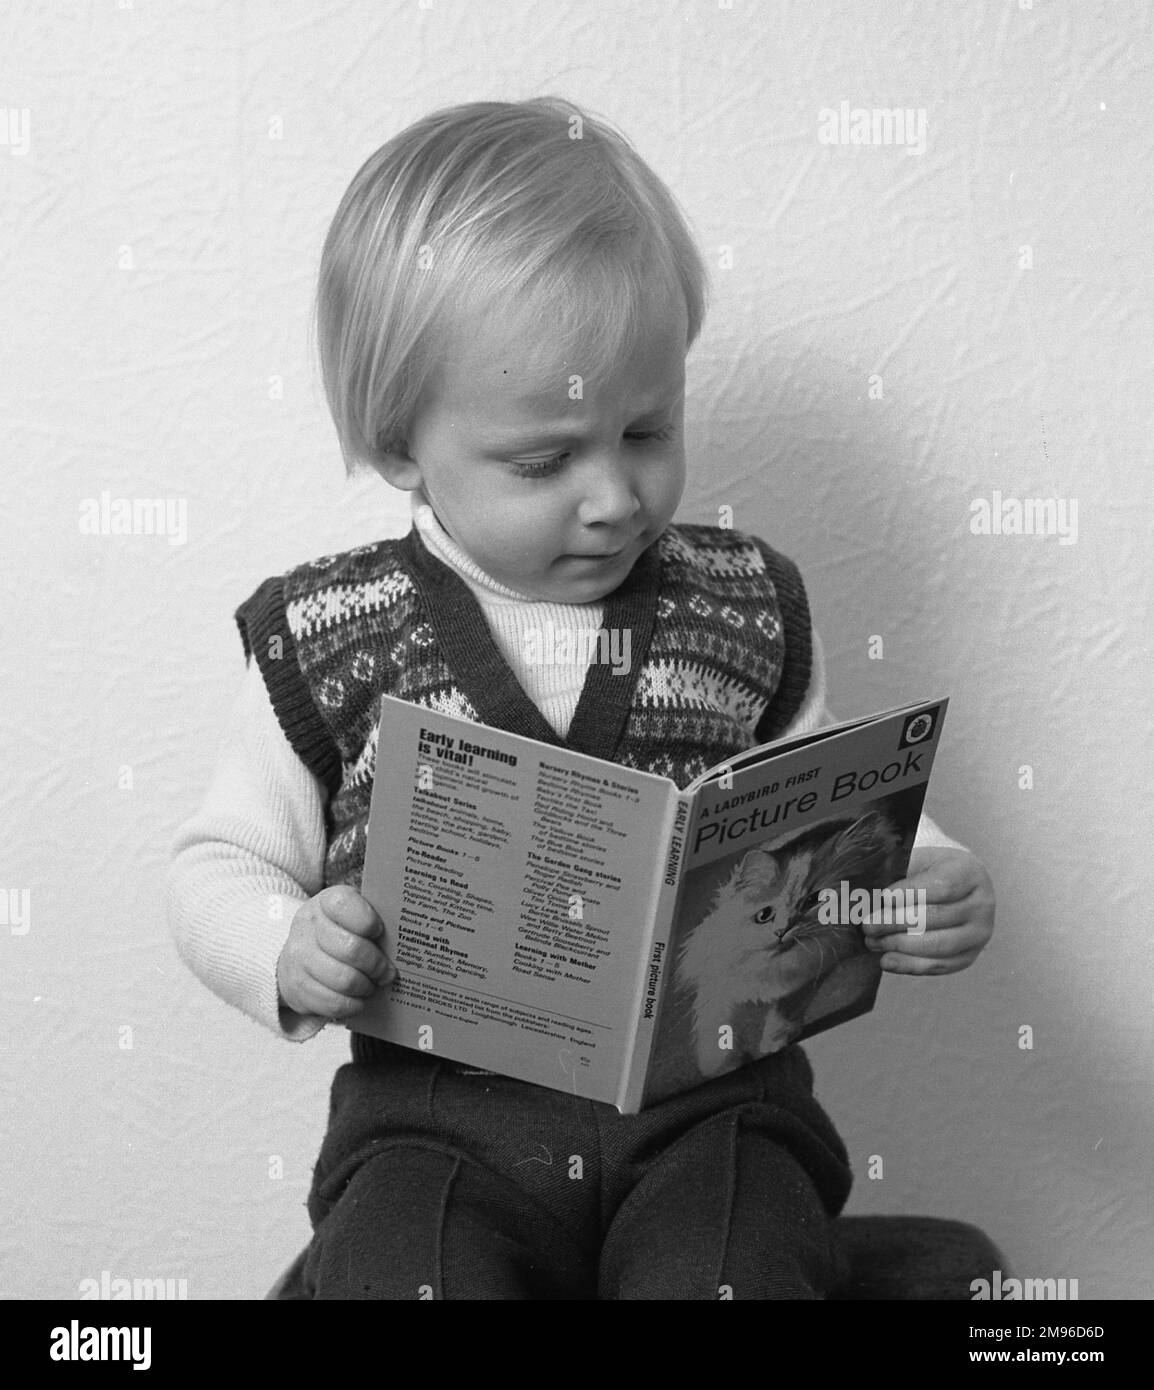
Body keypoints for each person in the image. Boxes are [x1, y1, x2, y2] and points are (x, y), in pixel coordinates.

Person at [166, 96, 995, 1300]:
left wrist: (913, 876)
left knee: (738, 1267)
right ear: (403, 445)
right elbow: (215, 863)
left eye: (647, 429)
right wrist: (286, 948)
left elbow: (821, 800)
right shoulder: (324, 635)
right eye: (545, 460)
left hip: (710, 1119)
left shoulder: (738, 607)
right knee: (399, 1270)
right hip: (438, 1128)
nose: (613, 496)